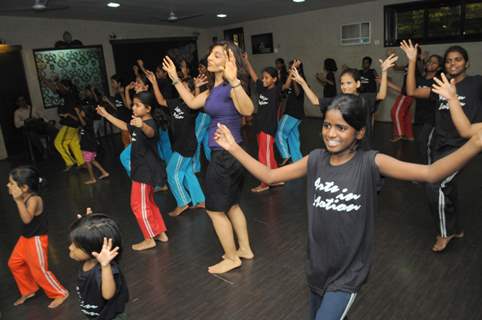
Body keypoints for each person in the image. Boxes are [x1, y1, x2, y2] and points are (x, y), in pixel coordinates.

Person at [213, 94, 482, 320]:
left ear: (359, 132)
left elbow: (431, 173)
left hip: (348, 273)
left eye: (341, 128)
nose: (331, 133)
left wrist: (475, 144)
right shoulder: (315, 159)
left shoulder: (371, 163)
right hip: (317, 267)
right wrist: (233, 148)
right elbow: (270, 176)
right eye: (327, 125)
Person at [162, 41, 255, 274]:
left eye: (216, 55)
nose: (209, 58)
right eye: (210, 54)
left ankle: (232, 257)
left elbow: (248, 110)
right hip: (229, 154)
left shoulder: (231, 87)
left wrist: (235, 81)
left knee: (214, 210)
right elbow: (193, 102)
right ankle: (244, 249)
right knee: (232, 205)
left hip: (225, 156)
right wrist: (174, 78)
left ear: (229, 61)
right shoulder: (215, 89)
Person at [402, 41, 482, 251]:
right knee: (447, 185)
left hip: (462, 145)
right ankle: (455, 227)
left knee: (435, 183)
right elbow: (411, 91)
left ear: (467, 63)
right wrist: (412, 61)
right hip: (440, 143)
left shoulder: (476, 83)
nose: (452, 63)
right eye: (448, 60)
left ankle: (444, 233)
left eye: (458, 59)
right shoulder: (440, 84)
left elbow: (466, 130)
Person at [97, 91, 168, 251]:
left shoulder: (149, 122)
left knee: (138, 205)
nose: (133, 107)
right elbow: (123, 126)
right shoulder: (137, 122)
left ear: (148, 108)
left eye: (137, 105)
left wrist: (141, 125)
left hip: (145, 172)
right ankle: (160, 233)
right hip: (142, 170)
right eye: (133, 104)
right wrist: (106, 114)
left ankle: (149, 238)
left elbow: (150, 132)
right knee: (149, 203)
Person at [291, 54, 398, 149]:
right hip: (345, 147)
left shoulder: (365, 98)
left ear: (358, 84)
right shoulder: (339, 99)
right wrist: (302, 83)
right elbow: (315, 101)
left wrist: (384, 71)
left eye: (348, 83)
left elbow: (381, 95)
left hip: (363, 146)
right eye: (342, 84)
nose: (344, 87)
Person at [145, 69, 206, 216]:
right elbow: (160, 101)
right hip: (179, 144)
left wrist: (197, 87)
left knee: (171, 171)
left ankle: (182, 202)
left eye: (185, 87)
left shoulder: (191, 106)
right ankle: (200, 200)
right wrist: (154, 83)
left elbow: (196, 102)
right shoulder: (176, 102)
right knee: (187, 172)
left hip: (185, 145)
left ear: (190, 91)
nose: (180, 88)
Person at [7, 166, 69, 309]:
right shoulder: (25, 195)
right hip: (25, 238)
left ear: (24, 188)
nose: (8, 186)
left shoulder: (34, 199)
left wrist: (18, 201)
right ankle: (29, 290)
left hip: (36, 240)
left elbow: (27, 219)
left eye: (11, 183)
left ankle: (60, 293)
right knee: (14, 263)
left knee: (39, 270)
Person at [69, 213, 129, 319]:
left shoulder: (105, 270)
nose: (70, 247)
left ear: (94, 249)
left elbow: (108, 294)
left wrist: (105, 266)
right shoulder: (90, 260)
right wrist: (86, 225)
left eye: (76, 246)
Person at [244, 53, 283, 192]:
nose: (264, 80)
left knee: (263, 155)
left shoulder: (276, 91)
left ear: (274, 79)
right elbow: (254, 77)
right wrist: (247, 61)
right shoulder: (262, 88)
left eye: (267, 78)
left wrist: (292, 74)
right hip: (259, 126)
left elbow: (286, 85)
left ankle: (265, 182)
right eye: (263, 77)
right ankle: (275, 179)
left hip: (267, 127)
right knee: (269, 154)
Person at [400, 40, 443, 163]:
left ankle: (429, 173)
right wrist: (387, 83)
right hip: (419, 118)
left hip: (432, 120)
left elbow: (412, 92)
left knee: (424, 143)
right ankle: (425, 170)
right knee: (421, 145)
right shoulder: (420, 79)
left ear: (439, 67)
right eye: (429, 61)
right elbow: (407, 91)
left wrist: (412, 60)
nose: (430, 63)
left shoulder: (438, 82)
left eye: (434, 62)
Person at [44, 78, 85, 170]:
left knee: (58, 143)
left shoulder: (70, 95)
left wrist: (67, 115)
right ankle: (81, 162)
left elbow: (76, 109)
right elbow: (54, 89)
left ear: (66, 87)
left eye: (60, 86)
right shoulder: (65, 94)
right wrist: (48, 81)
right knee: (73, 144)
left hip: (70, 124)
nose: (57, 88)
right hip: (72, 123)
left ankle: (70, 162)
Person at [276, 59, 305, 165]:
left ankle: (285, 156)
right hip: (295, 113)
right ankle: (298, 161)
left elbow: (297, 93)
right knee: (293, 138)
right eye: (290, 67)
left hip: (293, 113)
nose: (289, 69)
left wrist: (294, 75)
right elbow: (285, 90)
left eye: (292, 67)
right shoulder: (290, 79)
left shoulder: (300, 79)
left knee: (279, 133)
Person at [75, 106, 110, 184]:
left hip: (88, 145)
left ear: (85, 112)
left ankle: (92, 178)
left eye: (81, 112)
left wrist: (78, 113)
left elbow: (83, 124)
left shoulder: (87, 121)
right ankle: (104, 172)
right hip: (89, 144)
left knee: (88, 162)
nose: (80, 113)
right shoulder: (85, 121)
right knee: (92, 161)